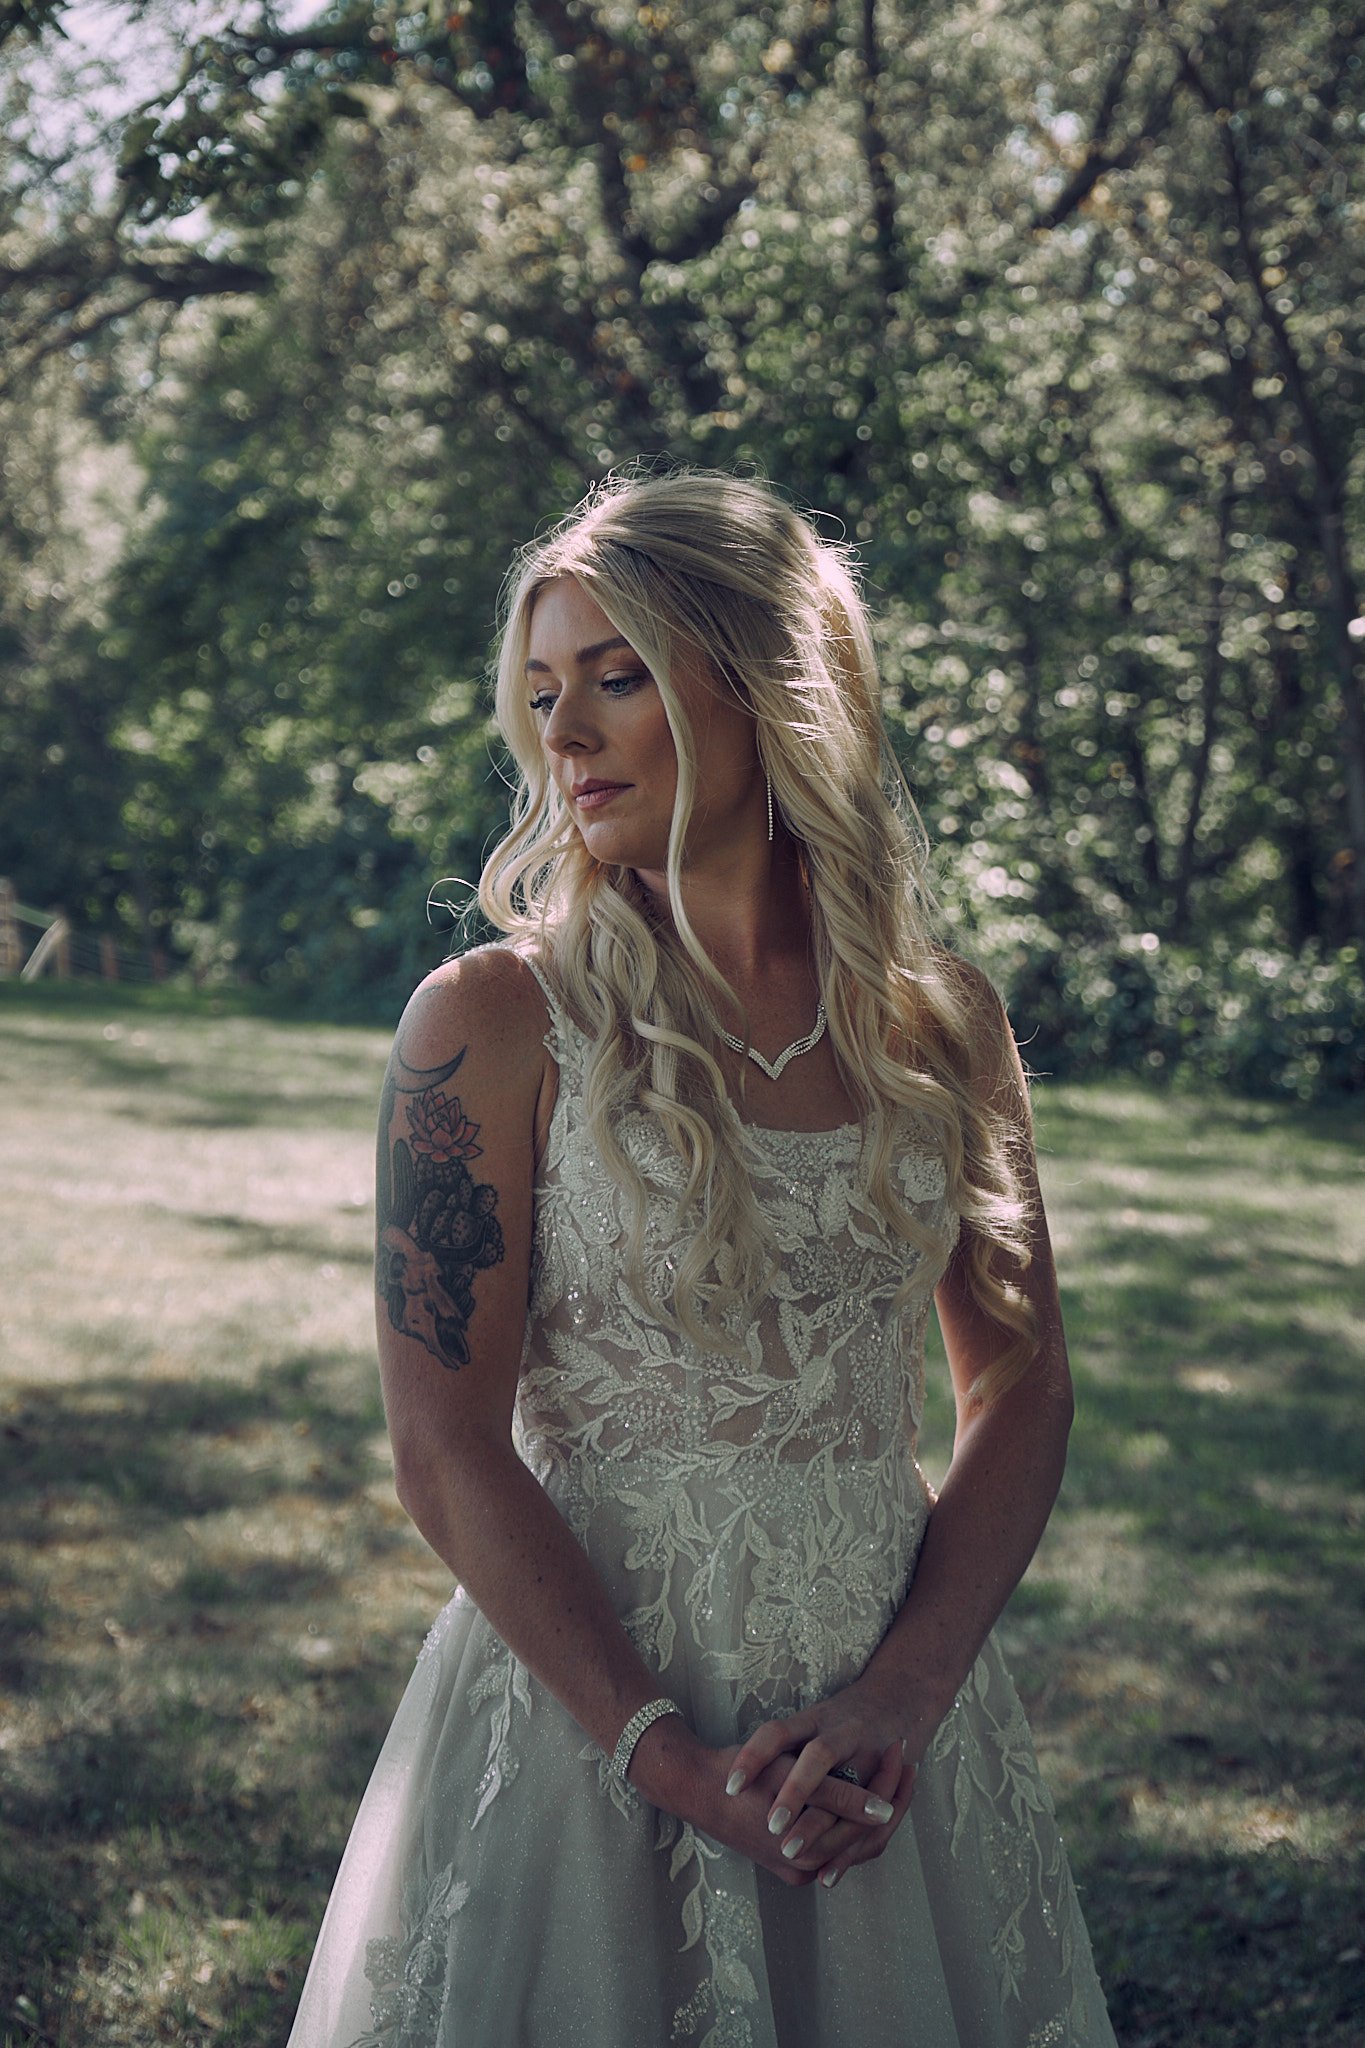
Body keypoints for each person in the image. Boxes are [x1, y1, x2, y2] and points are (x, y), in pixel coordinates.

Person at [286, 468, 1118, 2048]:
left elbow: (1019, 1388)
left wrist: (900, 1702)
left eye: (615, 677)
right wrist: (662, 1756)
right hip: (587, 1717)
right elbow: (442, 1442)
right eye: (541, 692)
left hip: (876, 1740)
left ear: (764, 686)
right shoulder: (490, 1023)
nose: (566, 733)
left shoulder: (943, 1026)